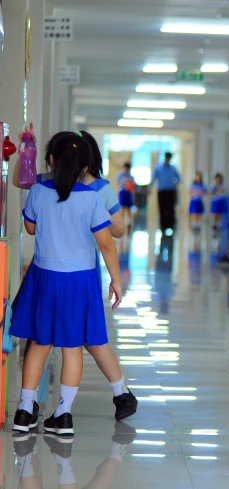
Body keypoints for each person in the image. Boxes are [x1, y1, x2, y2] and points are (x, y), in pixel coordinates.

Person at [12, 128, 137, 422]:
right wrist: (116, 280)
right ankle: (64, 415)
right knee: (73, 346)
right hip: (80, 279)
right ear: (85, 164)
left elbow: (30, 228)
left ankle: (24, 410)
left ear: (51, 159)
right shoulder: (93, 197)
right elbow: (107, 243)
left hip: (44, 275)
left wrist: (25, 147)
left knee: (39, 342)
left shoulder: (39, 190)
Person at [151, 152, 181, 233]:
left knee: (171, 208)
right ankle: (162, 226)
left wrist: (176, 182)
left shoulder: (173, 168)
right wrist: (149, 187)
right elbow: (153, 178)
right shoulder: (158, 168)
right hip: (161, 191)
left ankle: (171, 226)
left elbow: (179, 178)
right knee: (162, 208)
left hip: (171, 190)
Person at [115, 162, 135, 227]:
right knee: (122, 207)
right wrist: (123, 181)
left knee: (129, 208)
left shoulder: (130, 176)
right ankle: (121, 221)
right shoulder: (121, 175)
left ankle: (129, 222)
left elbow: (133, 186)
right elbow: (117, 183)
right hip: (122, 192)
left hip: (128, 193)